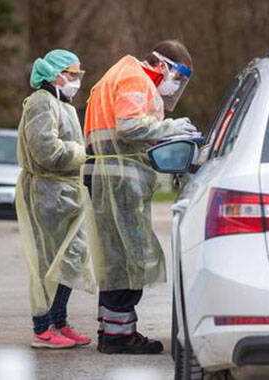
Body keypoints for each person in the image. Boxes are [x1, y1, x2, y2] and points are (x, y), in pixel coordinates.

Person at [84, 40, 196, 354]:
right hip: (119, 181)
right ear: (163, 65)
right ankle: (120, 337)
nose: (177, 84)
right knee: (129, 258)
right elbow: (130, 126)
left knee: (115, 259)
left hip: (109, 179)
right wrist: (170, 129)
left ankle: (111, 331)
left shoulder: (118, 74)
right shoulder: (135, 78)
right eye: (179, 75)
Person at [16, 49, 94, 349]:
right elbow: (46, 151)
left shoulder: (64, 105)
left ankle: (59, 321)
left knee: (71, 257)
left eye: (78, 74)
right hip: (46, 193)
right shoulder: (40, 103)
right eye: (72, 74)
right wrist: (79, 153)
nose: (76, 80)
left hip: (67, 192)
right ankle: (42, 328)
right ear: (55, 74)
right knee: (48, 262)